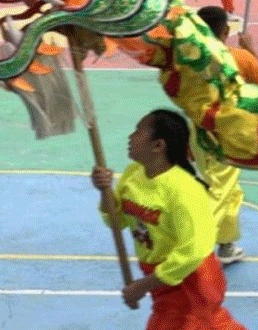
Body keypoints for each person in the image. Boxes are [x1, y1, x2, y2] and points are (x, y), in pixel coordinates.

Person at [90, 109, 246, 330]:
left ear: (158, 145)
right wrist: (104, 191)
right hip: (161, 278)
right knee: (215, 323)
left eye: (138, 132)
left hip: (191, 280)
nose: (130, 137)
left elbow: (193, 252)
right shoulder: (134, 174)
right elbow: (117, 222)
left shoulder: (185, 191)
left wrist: (142, 286)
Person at [194, 6, 258, 265]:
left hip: (198, 128)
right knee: (221, 188)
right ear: (226, 31)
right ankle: (197, 247)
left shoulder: (188, 57)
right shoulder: (239, 57)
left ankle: (226, 246)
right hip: (229, 132)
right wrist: (250, 49)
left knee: (226, 189)